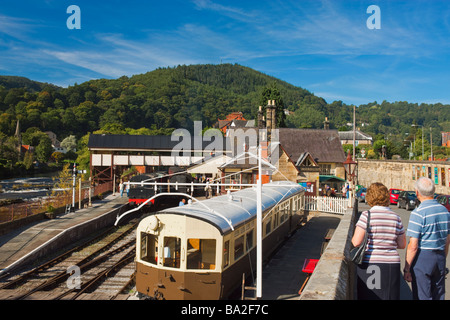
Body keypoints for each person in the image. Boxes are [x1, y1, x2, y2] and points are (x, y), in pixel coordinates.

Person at [351, 182, 406, 300]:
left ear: (370, 197)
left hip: (371, 263)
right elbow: (402, 244)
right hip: (392, 264)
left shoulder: (367, 215)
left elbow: (356, 242)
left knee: (370, 297)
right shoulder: (396, 217)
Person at [404, 177, 450, 300]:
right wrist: (442, 259)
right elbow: (447, 240)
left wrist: (407, 269)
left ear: (417, 192)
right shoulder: (445, 211)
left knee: (422, 295)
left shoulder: (418, 213)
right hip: (440, 256)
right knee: (439, 295)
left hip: (423, 257)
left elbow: (413, 245)